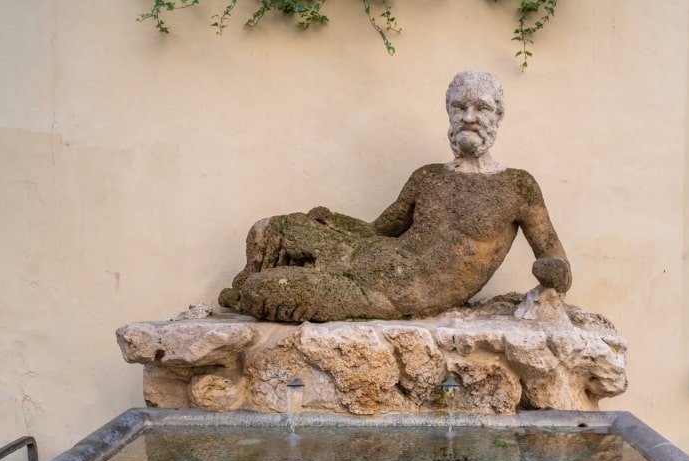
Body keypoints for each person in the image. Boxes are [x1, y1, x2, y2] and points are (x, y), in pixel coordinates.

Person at [220, 71, 571, 323]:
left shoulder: (517, 186)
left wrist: (552, 273)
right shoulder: (427, 176)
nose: (469, 118)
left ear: (498, 115)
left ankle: (248, 291)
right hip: (369, 256)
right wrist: (331, 221)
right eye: (459, 107)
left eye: (481, 108)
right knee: (275, 227)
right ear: (448, 112)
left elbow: (557, 260)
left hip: (390, 292)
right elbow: (378, 230)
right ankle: (242, 285)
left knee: (264, 292)